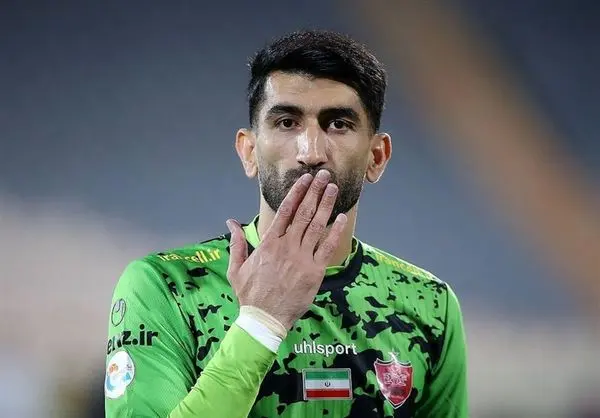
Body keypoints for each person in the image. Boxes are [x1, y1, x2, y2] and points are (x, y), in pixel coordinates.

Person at [104, 29, 468, 418]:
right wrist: (260, 323)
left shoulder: (430, 305)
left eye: (338, 124)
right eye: (287, 122)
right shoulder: (167, 287)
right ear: (249, 151)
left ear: (377, 157)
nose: (311, 152)